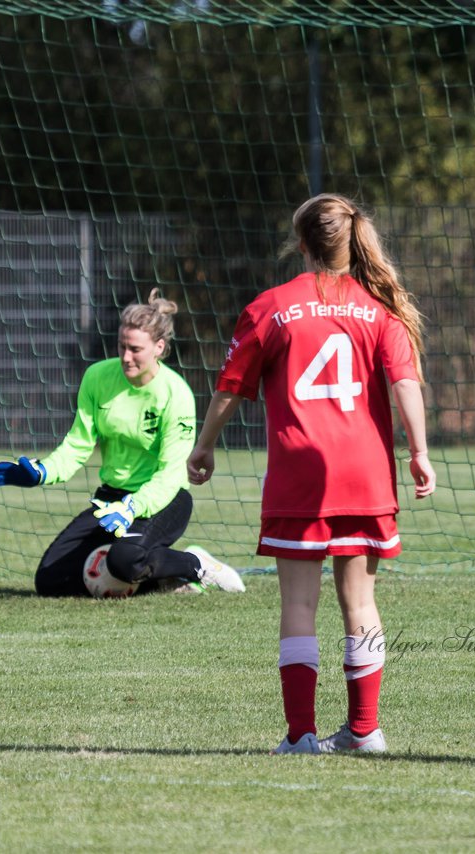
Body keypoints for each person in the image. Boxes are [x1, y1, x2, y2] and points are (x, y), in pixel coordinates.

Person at [187, 194, 435, 755]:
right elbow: (405, 385)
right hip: (366, 475)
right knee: (361, 603)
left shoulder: (272, 306)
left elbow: (231, 387)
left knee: (298, 605)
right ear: (353, 240)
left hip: (300, 474)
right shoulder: (381, 310)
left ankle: (300, 735)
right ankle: (365, 731)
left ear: (301, 244)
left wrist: (204, 446)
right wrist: (420, 451)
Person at [0, 289, 246, 597]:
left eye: (135, 349)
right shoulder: (97, 377)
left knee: (125, 561)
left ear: (159, 348)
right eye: (121, 346)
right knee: (50, 581)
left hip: (164, 500)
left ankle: (195, 564)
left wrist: (133, 507)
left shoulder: (176, 394)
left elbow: (171, 474)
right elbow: (78, 444)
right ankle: (160, 578)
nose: (125, 357)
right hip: (110, 501)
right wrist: (42, 471)